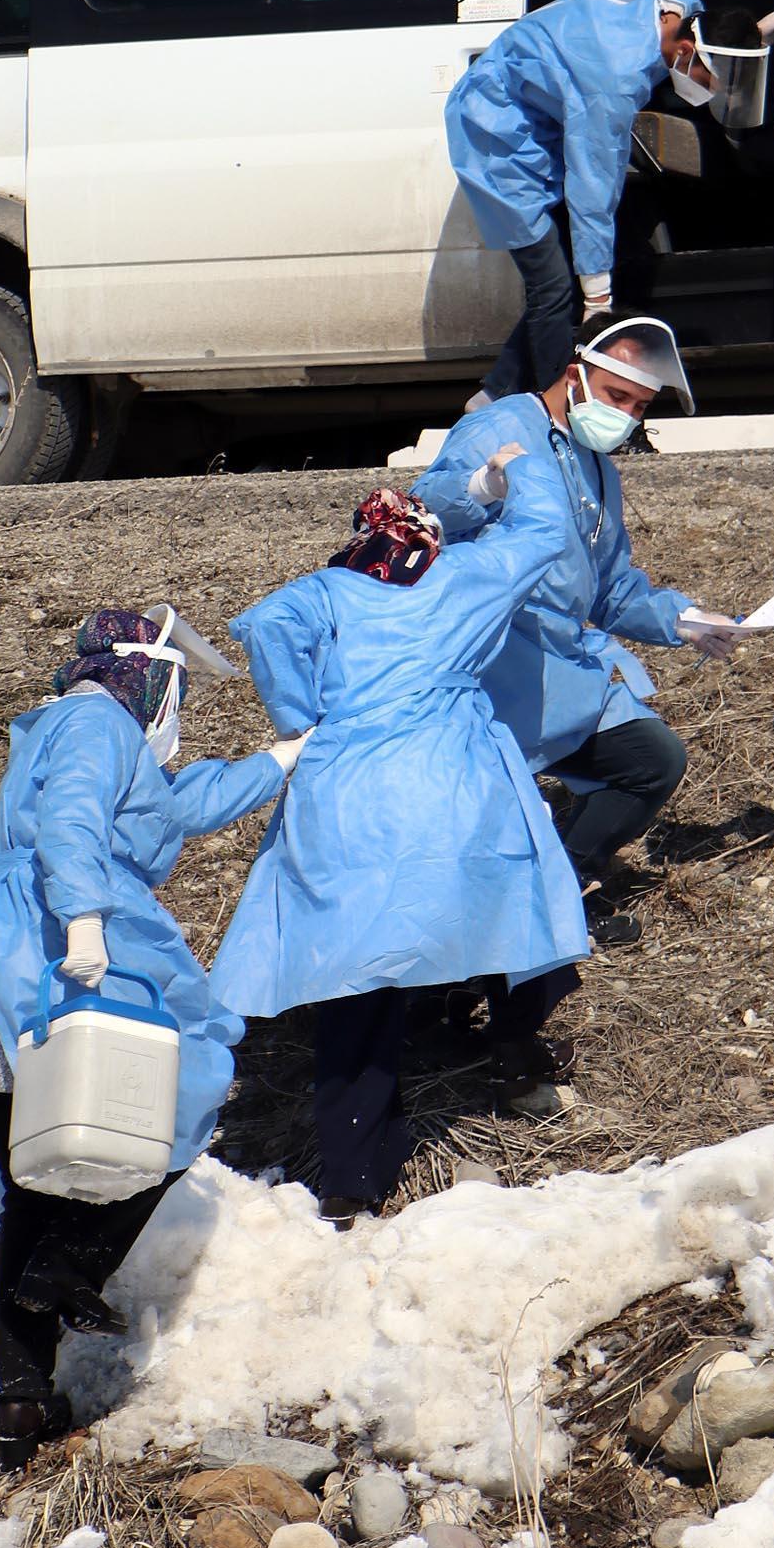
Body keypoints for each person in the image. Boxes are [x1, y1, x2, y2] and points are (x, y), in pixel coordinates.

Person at [0, 605, 303, 1467]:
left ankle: (18, 1399)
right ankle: (73, 1269)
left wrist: (273, 765)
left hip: (13, 936)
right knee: (175, 1092)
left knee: (41, 1172)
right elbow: (76, 824)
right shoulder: (96, 718)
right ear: (148, 675)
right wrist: (86, 919)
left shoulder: (84, 723)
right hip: (53, 939)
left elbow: (168, 807)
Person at [211, 465, 589, 1225]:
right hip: (453, 784)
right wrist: (506, 481)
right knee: (514, 912)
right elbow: (545, 534)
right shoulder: (465, 577)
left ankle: (353, 1173)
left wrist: (299, 718)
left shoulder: (324, 591)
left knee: (358, 971)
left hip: (348, 789)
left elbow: (264, 626)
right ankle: (514, 1049)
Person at [413, 316, 748, 943]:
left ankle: (558, 893)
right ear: (575, 376)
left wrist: (685, 619)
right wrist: (483, 485)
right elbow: (423, 510)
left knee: (652, 761)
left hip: (560, 657)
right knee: (485, 806)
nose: (625, 415)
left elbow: (611, 586)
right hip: (489, 656)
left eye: (639, 406)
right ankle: (509, 927)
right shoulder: (501, 427)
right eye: (617, 397)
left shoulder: (599, 467)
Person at [446, 0, 765, 404]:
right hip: (496, 132)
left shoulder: (678, 0)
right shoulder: (614, 81)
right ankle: (557, 409)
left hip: (541, 119)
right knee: (554, 286)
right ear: (687, 50)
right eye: (711, 79)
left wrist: (753, 35)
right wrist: (598, 296)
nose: (710, 92)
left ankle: (493, 395)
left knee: (560, 282)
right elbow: (593, 191)